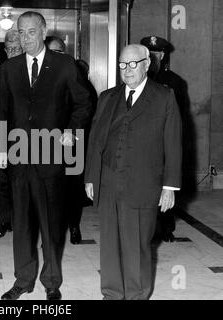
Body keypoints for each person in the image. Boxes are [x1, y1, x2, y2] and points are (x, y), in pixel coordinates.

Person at [0, 11, 92, 300]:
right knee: (22, 224)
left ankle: (51, 281)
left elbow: (84, 103)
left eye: (31, 32)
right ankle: (23, 280)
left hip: (51, 158)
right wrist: (2, 146)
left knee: (51, 223)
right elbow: (1, 110)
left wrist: (71, 131)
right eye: (21, 33)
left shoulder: (64, 65)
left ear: (43, 31)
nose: (25, 38)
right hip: (18, 159)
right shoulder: (9, 68)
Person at [85, 44, 182, 300]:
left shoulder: (163, 97)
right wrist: (91, 177)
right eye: (122, 65)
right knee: (110, 244)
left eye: (133, 64)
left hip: (144, 183)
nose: (127, 70)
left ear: (147, 64)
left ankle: (137, 295)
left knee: (136, 245)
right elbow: (96, 141)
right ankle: (112, 293)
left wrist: (169, 186)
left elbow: (173, 143)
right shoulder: (107, 97)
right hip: (108, 181)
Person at [45, 36, 97, 245]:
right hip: (46, 144)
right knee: (50, 190)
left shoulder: (75, 74)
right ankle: (51, 232)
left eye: (60, 52)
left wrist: (73, 132)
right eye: (52, 52)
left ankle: (74, 226)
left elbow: (87, 104)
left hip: (72, 142)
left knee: (73, 188)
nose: (56, 56)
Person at [140, 35, 190, 242]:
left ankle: (165, 227)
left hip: (164, 143)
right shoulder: (138, 78)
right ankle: (147, 227)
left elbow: (182, 116)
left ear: (162, 55)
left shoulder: (175, 82)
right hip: (142, 143)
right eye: (148, 54)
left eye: (155, 54)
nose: (152, 57)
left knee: (165, 185)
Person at [0, 30, 23, 239]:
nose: (13, 52)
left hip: (28, 139)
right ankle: (5, 221)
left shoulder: (32, 72)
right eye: (9, 49)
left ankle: (22, 221)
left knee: (22, 183)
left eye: (17, 48)